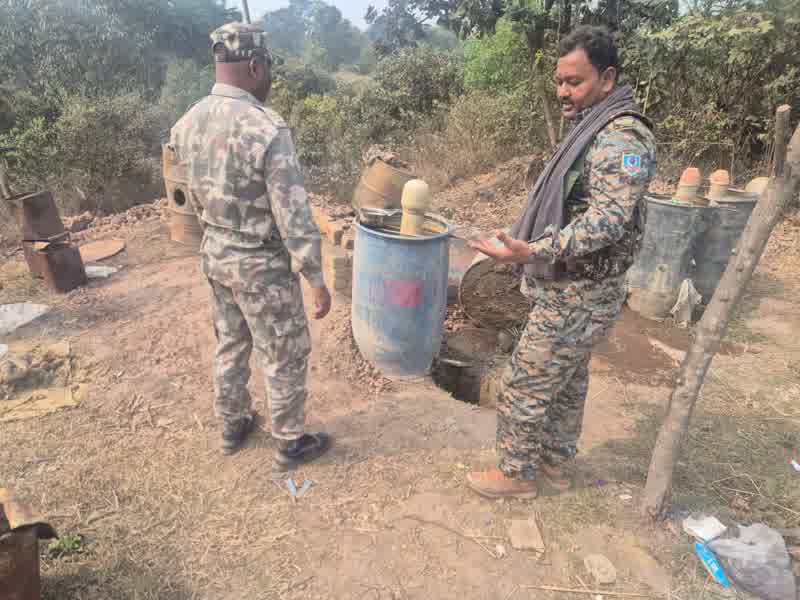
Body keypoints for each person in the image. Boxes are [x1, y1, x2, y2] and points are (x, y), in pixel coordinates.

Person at [466, 26, 657, 498]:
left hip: (580, 292)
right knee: (568, 383)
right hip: (580, 287)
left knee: (524, 382)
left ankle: (516, 474)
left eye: (575, 82)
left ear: (607, 79)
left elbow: (608, 221)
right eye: (559, 82)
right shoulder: (594, 129)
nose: (563, 92)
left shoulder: (622, 138)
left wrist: (534, 250)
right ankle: (555, 468)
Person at [169, 22, 332, 467]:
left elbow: (188, 199)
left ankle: (233, 424)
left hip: (216, 257)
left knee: (231, 343)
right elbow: (293, 214)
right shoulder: (266, 128)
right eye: (269, 70)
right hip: (261, 266)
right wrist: (315, 277)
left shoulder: (187, 123)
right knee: (283, 352)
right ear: (256, 66)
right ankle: (290, 442)